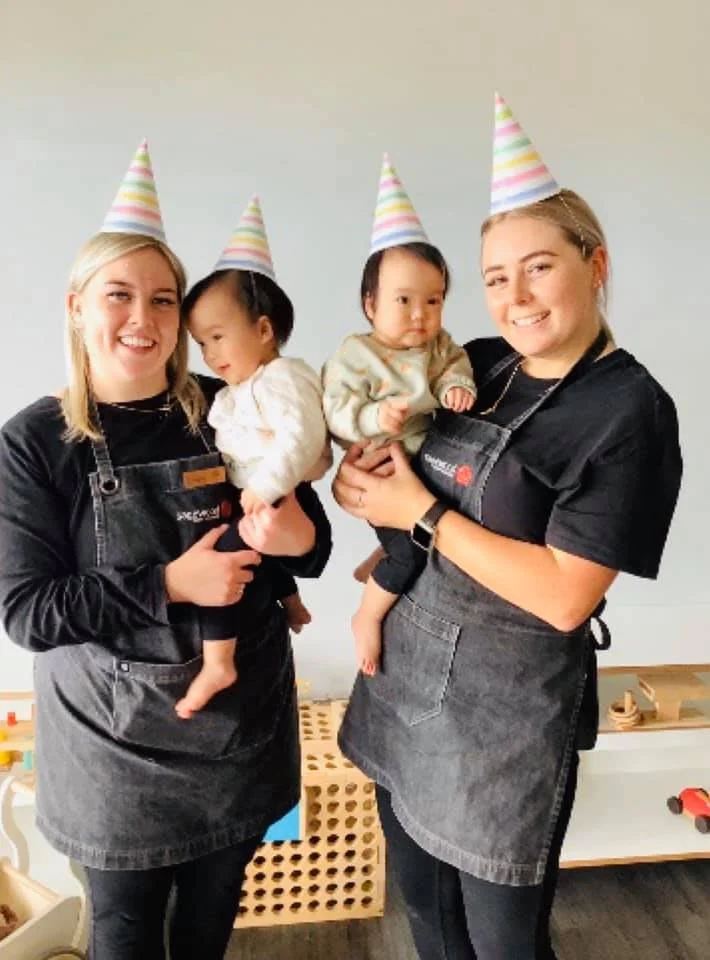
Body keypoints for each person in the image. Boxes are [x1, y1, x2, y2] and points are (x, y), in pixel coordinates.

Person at [332, 95, 682, 960]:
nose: (515, 298)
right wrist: (356, 480)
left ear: (594, 264)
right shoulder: (477, 366)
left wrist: (419, 510)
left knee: (503, 944)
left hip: (506, 717)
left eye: (538, 268)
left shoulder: (628, 410)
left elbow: (565, 597)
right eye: (495, 278)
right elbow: (387, 462)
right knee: (424, 909)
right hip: (409, 679)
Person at [0, 141, 332, 960]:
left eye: (164, 299)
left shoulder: (229, 406)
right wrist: (172, 583)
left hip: (239, 728)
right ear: (78, 305)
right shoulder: (35, 442)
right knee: (122, 934)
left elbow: (311, 544)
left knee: (212, 922)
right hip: (111, 752)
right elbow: (26, 612)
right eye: (120, 295)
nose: (143, 320)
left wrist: (297, 535)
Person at [176, 196, 332, 718]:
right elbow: (228, 426)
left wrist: (264, 488)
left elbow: (303, 438)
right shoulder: (233, 390)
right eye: (201, 343)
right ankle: (288, 601)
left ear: (264, 331)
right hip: (262, 492)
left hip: (278, 489)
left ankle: (218, 660)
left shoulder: (284, 379)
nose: (210, 355)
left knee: (226, 554)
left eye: (219, 337)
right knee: (253, 557)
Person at [323, 155, 476, 675]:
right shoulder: (357, 354)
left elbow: (456, 365)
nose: (420, 315)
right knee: (414, 554)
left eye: (433, 301)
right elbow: (336, 410)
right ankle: (366, 617)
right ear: (370, 304)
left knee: (456, 522)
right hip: (384, 469)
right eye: (404, 300)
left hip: (430, 463)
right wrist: (372, 419)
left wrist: (457, 387)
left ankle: (378, 561)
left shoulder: (439, 347)